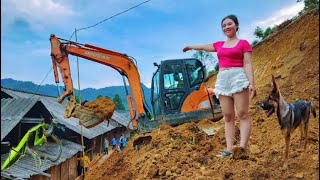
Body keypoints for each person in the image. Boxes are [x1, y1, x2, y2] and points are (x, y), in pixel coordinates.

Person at [183, 14, 256, 158]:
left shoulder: (244, 44)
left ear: (236, 25)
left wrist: (251, 83)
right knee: (228, 116)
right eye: (224, 26)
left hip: (238, 78)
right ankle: (229, 150)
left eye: (229, 24)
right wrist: (190, 47)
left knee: (242, 113)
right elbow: (204, 47)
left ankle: (242, 148)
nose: (226, 27)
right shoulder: (219, 45)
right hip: (223, 79)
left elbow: (247, 64)